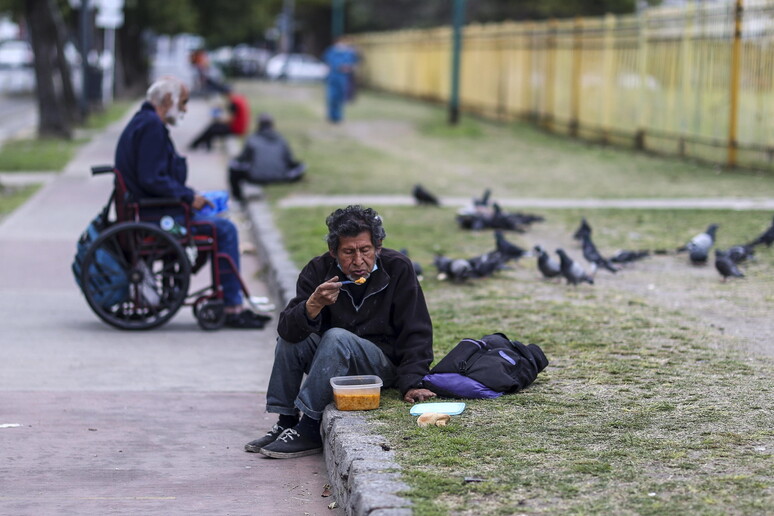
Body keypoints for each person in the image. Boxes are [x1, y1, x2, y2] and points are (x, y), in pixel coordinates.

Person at [244, 205, 437, 459]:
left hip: (379, 364)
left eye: (365, 250)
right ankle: (286, 420)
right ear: (333, 251)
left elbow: (416, 329)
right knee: (291, 339)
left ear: (377, 247)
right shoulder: (318, 271)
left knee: (336, 336)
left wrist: (412, 382)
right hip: (330, 362)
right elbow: (287, 330)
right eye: (348, 252)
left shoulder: (398, 268)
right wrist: (313, 305)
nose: (358, 261)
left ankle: (310, 426)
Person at [114, 76, 268, 329]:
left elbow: (153, 177)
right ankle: (231, 305)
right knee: (224, 230)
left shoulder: (144, 122)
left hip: (151, 210)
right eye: (183, 103)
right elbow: (152, 178)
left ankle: (230, 299)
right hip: (158, 217)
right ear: (167, 101)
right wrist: (187, 197)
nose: (185, 109)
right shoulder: (151, 126)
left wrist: (189, 196)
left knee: (218, 222)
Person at [227, 113, 306, 201]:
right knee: (300, 166)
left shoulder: (252, 139)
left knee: (232, 168)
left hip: (256, 177)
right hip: (282, 177)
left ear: (258, 125)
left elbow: (242, 160)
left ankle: (238, 198)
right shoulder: (281, 139)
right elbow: (289, 161)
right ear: (272, 125)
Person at [188, 86, 250, 151]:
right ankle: (206, 146)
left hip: (236, 129)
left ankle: (194, 145)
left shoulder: (234, 102)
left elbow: (230, 119)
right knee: (214, 127)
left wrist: (219, 120)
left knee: (212, 128)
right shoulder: (240, 99)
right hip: (241, 128)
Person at [323, 37, 358, 123]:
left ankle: (338, 116)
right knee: (332, 97)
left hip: (343, 78)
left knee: (340, 98)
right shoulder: (331, 52)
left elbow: (353, 63)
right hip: (333, 77)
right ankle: (331, 116)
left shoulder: (348, 53)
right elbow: (328, 62)